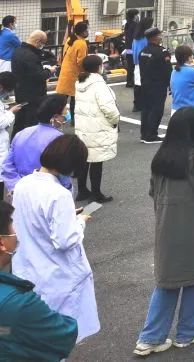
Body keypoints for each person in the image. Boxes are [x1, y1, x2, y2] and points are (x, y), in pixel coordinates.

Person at [134, 107, 194, 356]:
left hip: (166, 228)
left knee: (167, 283)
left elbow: (153, 192)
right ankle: (188, 331)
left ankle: (151, 337)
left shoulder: (161, 159)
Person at [11, 134, 99, 344]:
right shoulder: (59, 194)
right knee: (59, 338)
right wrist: (79, 222)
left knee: (36, 338)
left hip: (27, 270)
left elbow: (29, 219)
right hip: (56, 277)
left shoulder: (23, 184)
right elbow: (65, 240)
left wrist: (68, 216)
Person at [0, 199, 79, 360]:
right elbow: (64, 333)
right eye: (11, 226)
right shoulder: (16, 303)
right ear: (2, 243)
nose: (15, 232)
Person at [73, 54, 119, 204]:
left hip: (83, 126)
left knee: (84, 159)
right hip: (98, 127)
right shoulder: (99, 85)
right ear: (99, 67)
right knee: (97, 161)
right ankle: (96, 193)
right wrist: (115, 121)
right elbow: (109, 109)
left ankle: (82, 190)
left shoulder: (80, 82)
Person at [2, 95, 68, 197]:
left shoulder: (22, 133)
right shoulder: (59, 139)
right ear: (55, 117)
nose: (67, 116)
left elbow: (8, 165)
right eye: (65, 113)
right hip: (48, 194)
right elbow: (63, 174)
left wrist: (15, 186)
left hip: (20, 192)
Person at [11, 30, 54, 137]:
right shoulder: (31, 56)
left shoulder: (17, 51)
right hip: (33, 95)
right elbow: (39, 76)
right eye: (43, 43)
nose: (42, 46)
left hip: (20, 92)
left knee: (19, 122)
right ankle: (29, 144)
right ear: (38, 42)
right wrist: (49, 71)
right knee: (31, 124)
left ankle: (15, 143)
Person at [138, 27, 171, 143]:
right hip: (158, 85)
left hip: (145, 84)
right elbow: (167, 70)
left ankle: (144, 134)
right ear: (155, 37)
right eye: (159, 35)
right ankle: (151, 135)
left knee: (146, 109)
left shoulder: (143, 52)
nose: (161, 37)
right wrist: (170, 84)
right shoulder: (162, 52)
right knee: (156, 109)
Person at [55, 20, 89, 124]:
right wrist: (86, 72)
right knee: (75, 98)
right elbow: (81, 61)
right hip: (74, 74)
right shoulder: (81, 43)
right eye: (87, 30)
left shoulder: (70, 39)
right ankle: (74, 120)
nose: (88, 32)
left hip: (65, 72)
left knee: (62, 99)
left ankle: (56, 117)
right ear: (83, 32)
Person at [171, 45, 194, 111]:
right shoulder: (193, 71)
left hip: (176, 108)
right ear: (189, 57)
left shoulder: (174, 71)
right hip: (192, 109)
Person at [121, 9, 139, 89]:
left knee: (130, 66)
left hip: (128, 48)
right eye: (137, 14)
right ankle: (136, 82)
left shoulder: (127, 24)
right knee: (137, 66)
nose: (138, 16)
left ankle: (129, 82)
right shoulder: (135, 25)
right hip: (134, 48)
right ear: (134, 16)